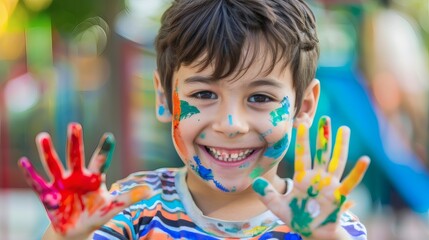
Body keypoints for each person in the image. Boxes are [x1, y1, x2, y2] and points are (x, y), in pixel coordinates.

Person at [18, 0, 370, 239]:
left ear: (304, 105)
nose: (231, 123)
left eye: (260, 98)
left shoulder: (325, 222)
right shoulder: (130, 207)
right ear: (163, 96)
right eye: (204, 95)